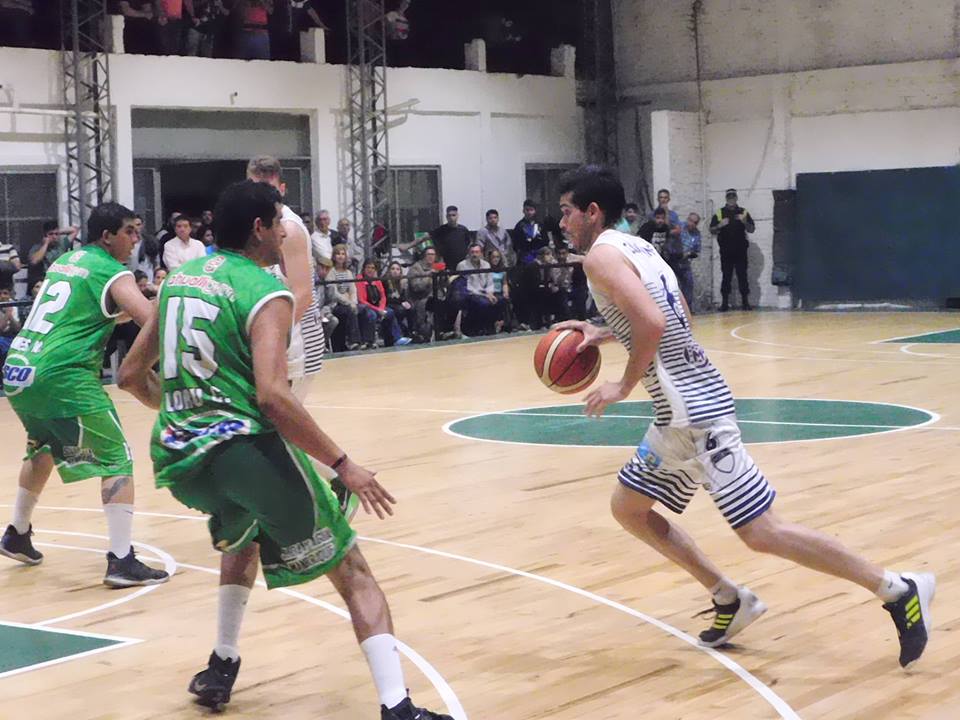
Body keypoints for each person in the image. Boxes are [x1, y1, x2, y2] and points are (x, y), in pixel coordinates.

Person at [553, 165, 935, 669]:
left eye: (566, 212)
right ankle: (729, 598)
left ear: (591, 211)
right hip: (679, 413)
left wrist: (622, 385)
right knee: (628, 507)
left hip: (696, 414)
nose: (562, 222)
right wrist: (605, 331)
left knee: (762, 531)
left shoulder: (600, 257)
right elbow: (678, 314)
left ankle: (898, 588)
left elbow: (652, 321)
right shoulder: (637, 247)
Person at [116, 180, 452, 720]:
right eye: (278, 223)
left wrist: (187, 411)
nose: (283, 232)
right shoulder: (264, 291)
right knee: (353, 570)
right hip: (242, 451)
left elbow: (130, 375)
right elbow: (273, 396)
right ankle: (398, 707)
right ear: (259, 229)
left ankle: (221, 664)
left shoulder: (178, 280)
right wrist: (344, 465)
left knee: (242, 538)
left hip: (180, 459)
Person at [0, 202, 170, 587]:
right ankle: (121, 560)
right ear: (107, 236)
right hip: (62, 375)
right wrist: (166, 303)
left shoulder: (68, 261)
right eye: (129, 231)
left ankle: (17, 534)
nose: (136, 239)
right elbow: (150, 322)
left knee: (44, 448)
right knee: (116, 458)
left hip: (20, 369)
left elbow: (93, 310)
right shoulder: (112, 271)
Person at [246, 155, 325, 399]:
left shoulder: (289, 228)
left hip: (297, 340)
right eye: (256, 189)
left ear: (281, 189)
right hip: (274, 335)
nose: (262, 197)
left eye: (268, 189)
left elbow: (302, 294)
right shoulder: (257, 225)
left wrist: (270, 339)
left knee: (279, 417)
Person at [710, 188, 755, 311]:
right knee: (726, 276)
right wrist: (720, 225)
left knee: (742, 276)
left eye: (733, 197)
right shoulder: (720, 213)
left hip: (741, 251)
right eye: (729, 197)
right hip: (726, 251)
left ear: (736, 198)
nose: (731, 200)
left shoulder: (743, 212)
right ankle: (724, 303)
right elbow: (711, 230)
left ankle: (745, 302)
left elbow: (751, 229)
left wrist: (744, 221)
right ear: (726, 199)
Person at [357, 259, 410, 348]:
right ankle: (369, 341)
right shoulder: (359, 279)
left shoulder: (377, 280)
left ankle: (397, 338)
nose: (370, 270)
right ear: (364, 269)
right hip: (365, 307)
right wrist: (378, 310)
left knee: (390, 312)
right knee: (372, 314)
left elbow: (383, 296)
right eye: (368, 267)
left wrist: (381, 308)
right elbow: (361, 300)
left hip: (378, 307)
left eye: (372, 268)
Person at [455, 243, 500, 336]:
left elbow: (490, 282)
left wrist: (490, 293)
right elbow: (466, 286)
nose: (474, 254)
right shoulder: (462, 265)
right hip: (470, 294)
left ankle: (493, 327)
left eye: (476, 252)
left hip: (485, 292)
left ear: (481, 253)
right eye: (472, 252)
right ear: (468, 253)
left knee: (501, 300)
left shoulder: (486, 264)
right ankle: (480, 329)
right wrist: (485, 295)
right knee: (483, 303)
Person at [329, 244, 362, 351]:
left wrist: (353, 302)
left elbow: (352, 290)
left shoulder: (348, 272)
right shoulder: (331, 272)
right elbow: (334, 293)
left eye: (343, 254)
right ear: (334, 256)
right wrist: (348, 302)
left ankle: (368, 341)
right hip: (336, 304)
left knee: (365, 310)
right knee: (349, 311)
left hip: (349, 302)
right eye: (338, 254)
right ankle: (353, 341)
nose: (341, 256)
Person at [28, 223, 78, 288]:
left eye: (56, 234)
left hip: (59, 280)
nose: (54, 237)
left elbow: (74, 230)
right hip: (43, 281)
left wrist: (58, 231)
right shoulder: (37, 248)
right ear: (45, 235)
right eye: (51, 234)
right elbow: (34, 261)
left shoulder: (61, 245)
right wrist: (45, 244)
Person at [430, 206, 471, 270]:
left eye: (453, 215)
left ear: (457, 216)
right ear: (446, 217)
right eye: (449, 215)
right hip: (446, 264)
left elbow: (468, 244)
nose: (451, 218)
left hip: (462, 264)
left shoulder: (463, 230)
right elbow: (428, 237)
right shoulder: (441, 230)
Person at [384, 261, 414, 337]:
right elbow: (386, 298)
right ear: (389, 270)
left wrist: (407, 302)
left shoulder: (402, 281)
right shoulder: (385, 281)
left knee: (411, 308)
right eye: (393, 269)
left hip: (398, 303)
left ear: (400, 271)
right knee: (399, 310)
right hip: (388, 304)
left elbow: (404, 296)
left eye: (397, 269)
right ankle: (400, 331)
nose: (395, 271)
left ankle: (411, 332)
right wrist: (401, 302)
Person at [486, 247, 512, 332]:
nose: (495, 259)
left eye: (497, 257)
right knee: (496, 301)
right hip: (490, 293)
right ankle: (495, 324)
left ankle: (505, 325)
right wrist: (490, 294)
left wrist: (505, 292)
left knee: (506, 299)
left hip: (500, 292)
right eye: (493, 257)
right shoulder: (486, 269)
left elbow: (504, 283)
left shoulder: (502, 270)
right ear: (490, 258)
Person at [0, 284, 21, 365]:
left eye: (5, 293)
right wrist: (7, 313)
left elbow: (17, 328)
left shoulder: (15, 306)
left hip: (14, 337)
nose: (2, 296)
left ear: (10, 295)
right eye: (0, 293)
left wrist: (11, 316)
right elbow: (1, 328)